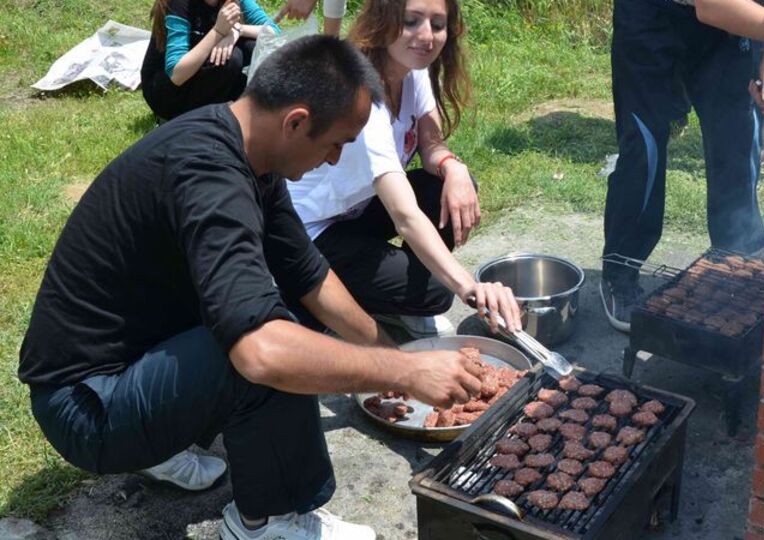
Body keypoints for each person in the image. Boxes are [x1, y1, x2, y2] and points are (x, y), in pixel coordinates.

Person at [20, 36, 486, 540]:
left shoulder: (246, 150)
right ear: (296, 122)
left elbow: (307, 272)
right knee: (268, 341)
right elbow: (262, 354)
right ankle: (265, 522)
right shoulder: (207, 175)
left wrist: (390, 356)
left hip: (131, 359)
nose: (334, 160)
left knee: (279, 311)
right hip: (85, 407)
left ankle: (165, 441)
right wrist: (408, 371)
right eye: (336, 144)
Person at [286, 0, 523, 339]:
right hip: (311, 228)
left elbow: (431, 144)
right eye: (411, 21)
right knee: (437, 291)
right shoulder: (362, 96)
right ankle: (327, 300)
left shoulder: (413, 69)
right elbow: (405, 216)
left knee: (448, 185)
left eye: (437, 25)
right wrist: (468, 287)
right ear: (383, 20)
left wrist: (454, 168)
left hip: (354, 208)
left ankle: (393, 299)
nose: (426, 36)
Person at [600, 0, 764, 332]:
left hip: (725, 31)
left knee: (737, 139)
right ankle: (621, 270)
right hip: (650, 16)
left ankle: (739, 263)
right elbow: (711, 6)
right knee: (644, 149)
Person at [141, 0, 280, 120]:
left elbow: (273, 31)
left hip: (200, 77)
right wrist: (218, 31)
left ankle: (240, 109)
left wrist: (237, 30)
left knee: (252, 47)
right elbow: (176, 73)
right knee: (231, 58)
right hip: (166, 93)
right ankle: (204, 118)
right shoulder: (179, 3)